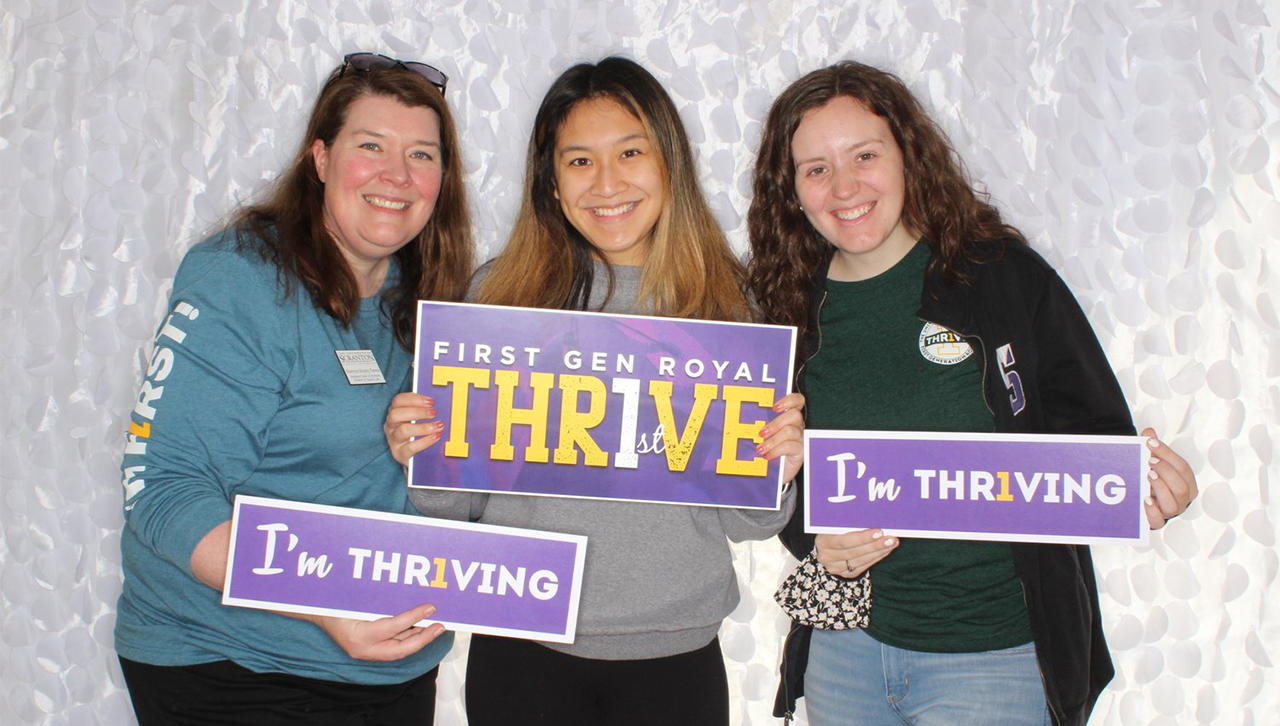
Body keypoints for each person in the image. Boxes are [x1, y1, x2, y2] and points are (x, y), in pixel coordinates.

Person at [745, 60, 1198, 726]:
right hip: (846, 657)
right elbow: (779, 476)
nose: (845, 187)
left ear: (908, 156)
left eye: (865, 155)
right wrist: (811, 535)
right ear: (792, 191)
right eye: (816, 170)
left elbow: (1095, 442)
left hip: (995, 658)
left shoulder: (1003, 278)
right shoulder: (785, 309)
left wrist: (1145, 488)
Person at [383, 56, 804, 726]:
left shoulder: (728, 306)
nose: (606, 183)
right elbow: (450, 500)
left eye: (630, 152)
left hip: (675, 649)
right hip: (521, 642)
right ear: (551, 182)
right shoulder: (499, 300)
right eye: (579, 161)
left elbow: (749, 521)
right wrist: (419, 447)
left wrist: (778, 465)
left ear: (670, 163)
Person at [114, 52, 474, 725]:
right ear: (320, 158)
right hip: (232, 662)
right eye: (372, 146)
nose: (397, 175)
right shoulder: (243, 282)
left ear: (442, 180)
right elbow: (163, 491)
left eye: (421, 155)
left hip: (389, 663)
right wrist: (326, 606)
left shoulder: (439, 303)